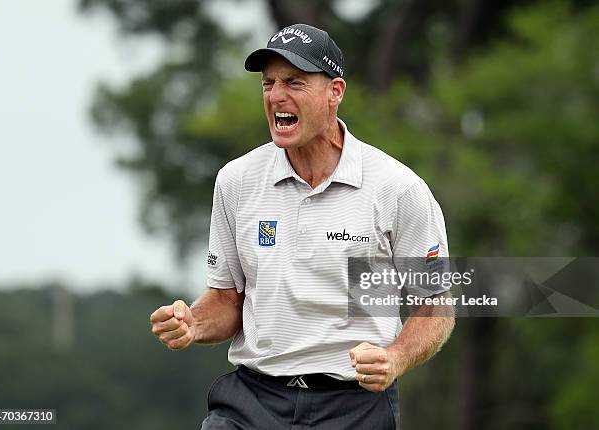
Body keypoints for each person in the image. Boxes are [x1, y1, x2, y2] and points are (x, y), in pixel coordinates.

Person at [150, 23, 455, 429]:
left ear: (335, 92)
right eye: (268, 83)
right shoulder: (236, 181)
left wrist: (395, 358)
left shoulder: (398, 189)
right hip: (252, 401)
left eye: (294, 82)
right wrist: (193, 322)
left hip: (354, 406)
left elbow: (435, 305)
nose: (277, 96)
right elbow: (226, 302)